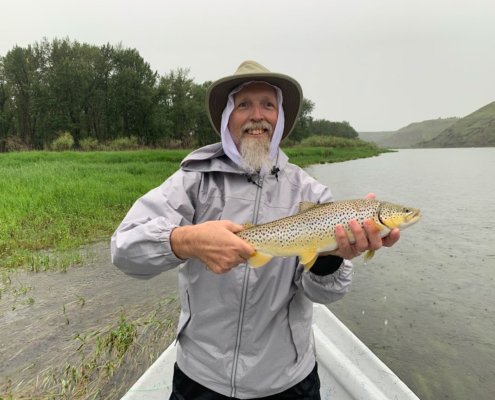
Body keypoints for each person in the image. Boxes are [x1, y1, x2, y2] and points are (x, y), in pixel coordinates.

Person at [111, 61, 400, 400]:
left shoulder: (312, 194)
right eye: (243, 104)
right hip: (201, 378)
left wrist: (329, 259)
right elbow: (123, 249)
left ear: (279, 119)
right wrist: (186, 240)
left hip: (287, 381)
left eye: (268, 104)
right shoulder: (193, 180)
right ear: (227, 117)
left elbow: (327, 294)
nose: (257, 115)